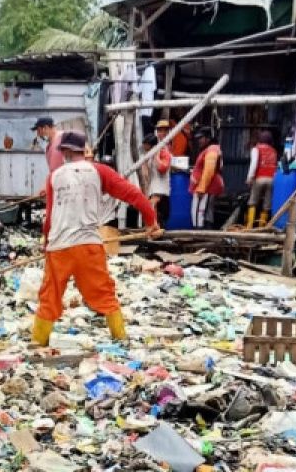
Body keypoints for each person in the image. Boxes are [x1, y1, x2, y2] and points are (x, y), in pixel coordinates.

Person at [31, 131, 161, 347]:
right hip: (88, 245)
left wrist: (46, 245)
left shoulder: (54, 176)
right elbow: (134, 195)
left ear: (64, 151)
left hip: (59, 247)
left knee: (50, 294)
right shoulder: (98, 171)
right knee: (104, 292)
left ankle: (38, 341)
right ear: (84, 150)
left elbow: (49, 218)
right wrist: (151, 221)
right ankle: (120, 337)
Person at [190, 127, 224, 229]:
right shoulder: (211, 149)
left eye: (201, 138)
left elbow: (209, 170)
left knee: (200, 213)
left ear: (208, 138)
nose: (199, 140)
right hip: (208, 187)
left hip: (207, 187)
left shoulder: (212, 149)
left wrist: (201, 189)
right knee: (206, 214)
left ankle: (199, 236)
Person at [246, 130, 279, 228]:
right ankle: (261, 227)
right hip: (272, 179)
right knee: (266, 204)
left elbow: (254, 164)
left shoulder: (256, 149)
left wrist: (250, 178)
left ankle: (249, 227)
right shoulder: (274, 151)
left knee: (252, 202)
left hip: (259, 178)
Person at [140, 133, 172, 227]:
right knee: (151, 209)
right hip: (152, 188)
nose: (144, 146)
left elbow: (162, 168)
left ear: (150, 145)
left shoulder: (164, 153)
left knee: (159, 213)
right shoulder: (147, 156)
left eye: (145, 144)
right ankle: (152, 228)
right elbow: (145, 175)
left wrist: (156, 155)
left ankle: (158, 229)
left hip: (161, 189)